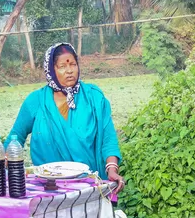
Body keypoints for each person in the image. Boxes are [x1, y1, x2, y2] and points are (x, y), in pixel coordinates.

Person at [8, 43, 125, 193]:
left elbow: (108, 139)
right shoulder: (36, 101)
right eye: (62, 66)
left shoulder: (94, 98)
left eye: (73, 65)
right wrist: (5, 164)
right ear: (51, 69)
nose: (69, 71)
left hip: (88, 188)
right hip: (48, 190)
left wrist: (112, 169)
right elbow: (15, 137)